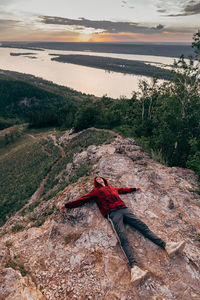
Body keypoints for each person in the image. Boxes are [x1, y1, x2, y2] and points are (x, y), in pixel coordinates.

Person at [60, 176, 185, 286]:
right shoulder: (96, 192)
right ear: (95, 182)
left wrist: (135, 189)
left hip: (124, 210)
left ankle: (167, 246)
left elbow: (123, 190)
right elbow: (83, 199)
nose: (99, 179)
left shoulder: (113, 188)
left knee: (143, 228)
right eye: (96, 179)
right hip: (113, 214)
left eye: (100, 178)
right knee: (123, 238)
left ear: (104, 179)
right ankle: (134, 268)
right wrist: (67, 205)